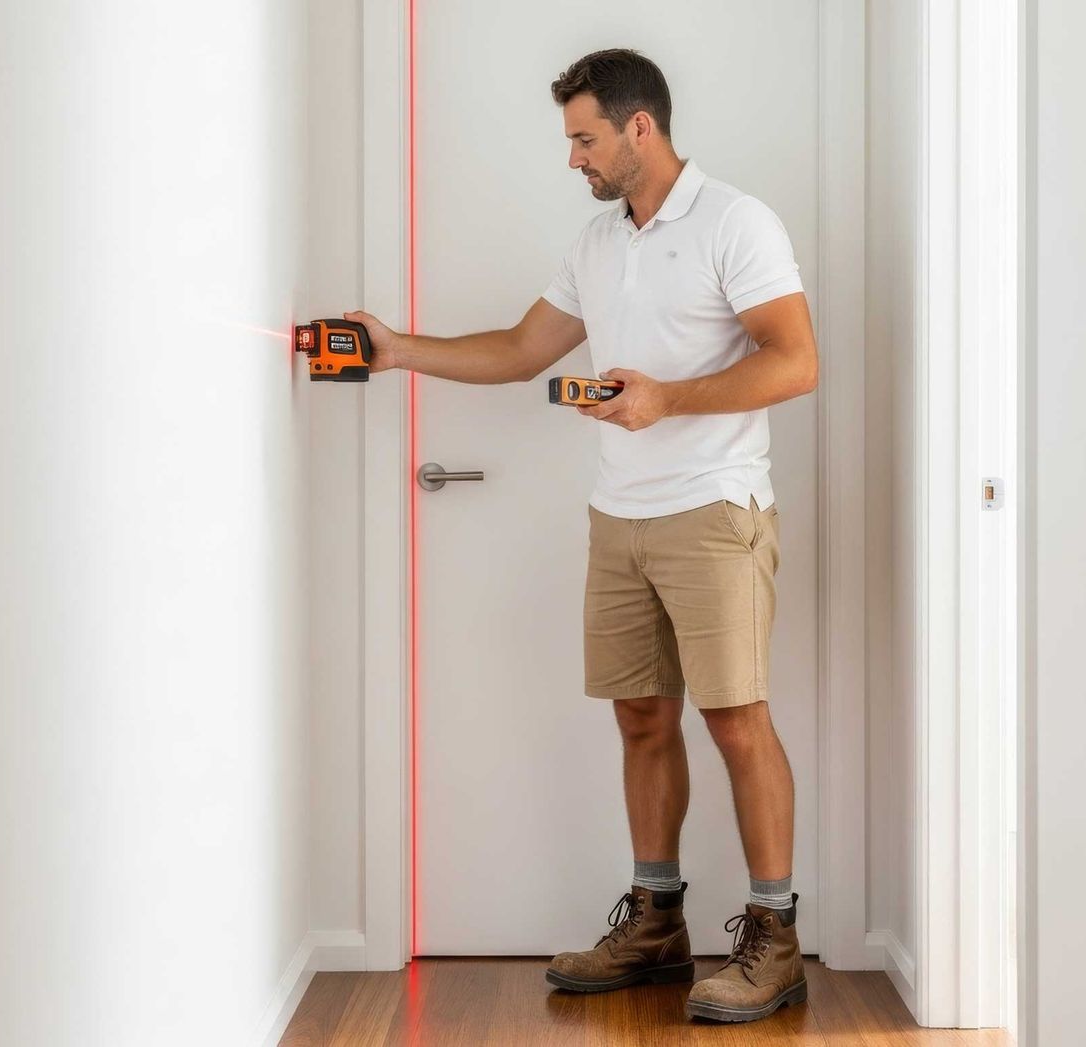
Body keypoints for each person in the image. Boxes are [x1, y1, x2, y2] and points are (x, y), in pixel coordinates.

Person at [345, 47, 816, 1024]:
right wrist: (396, 350)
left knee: (736, 718)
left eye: (584, 138)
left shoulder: (736, 222)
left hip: (716, 509)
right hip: (621, 519)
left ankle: (776, 938)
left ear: (639, 128)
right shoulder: (598, 244)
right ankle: (657, 920)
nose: (574, 159)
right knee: (641, 716)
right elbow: (522, 351)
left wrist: (668, 398)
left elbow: (796, 362)